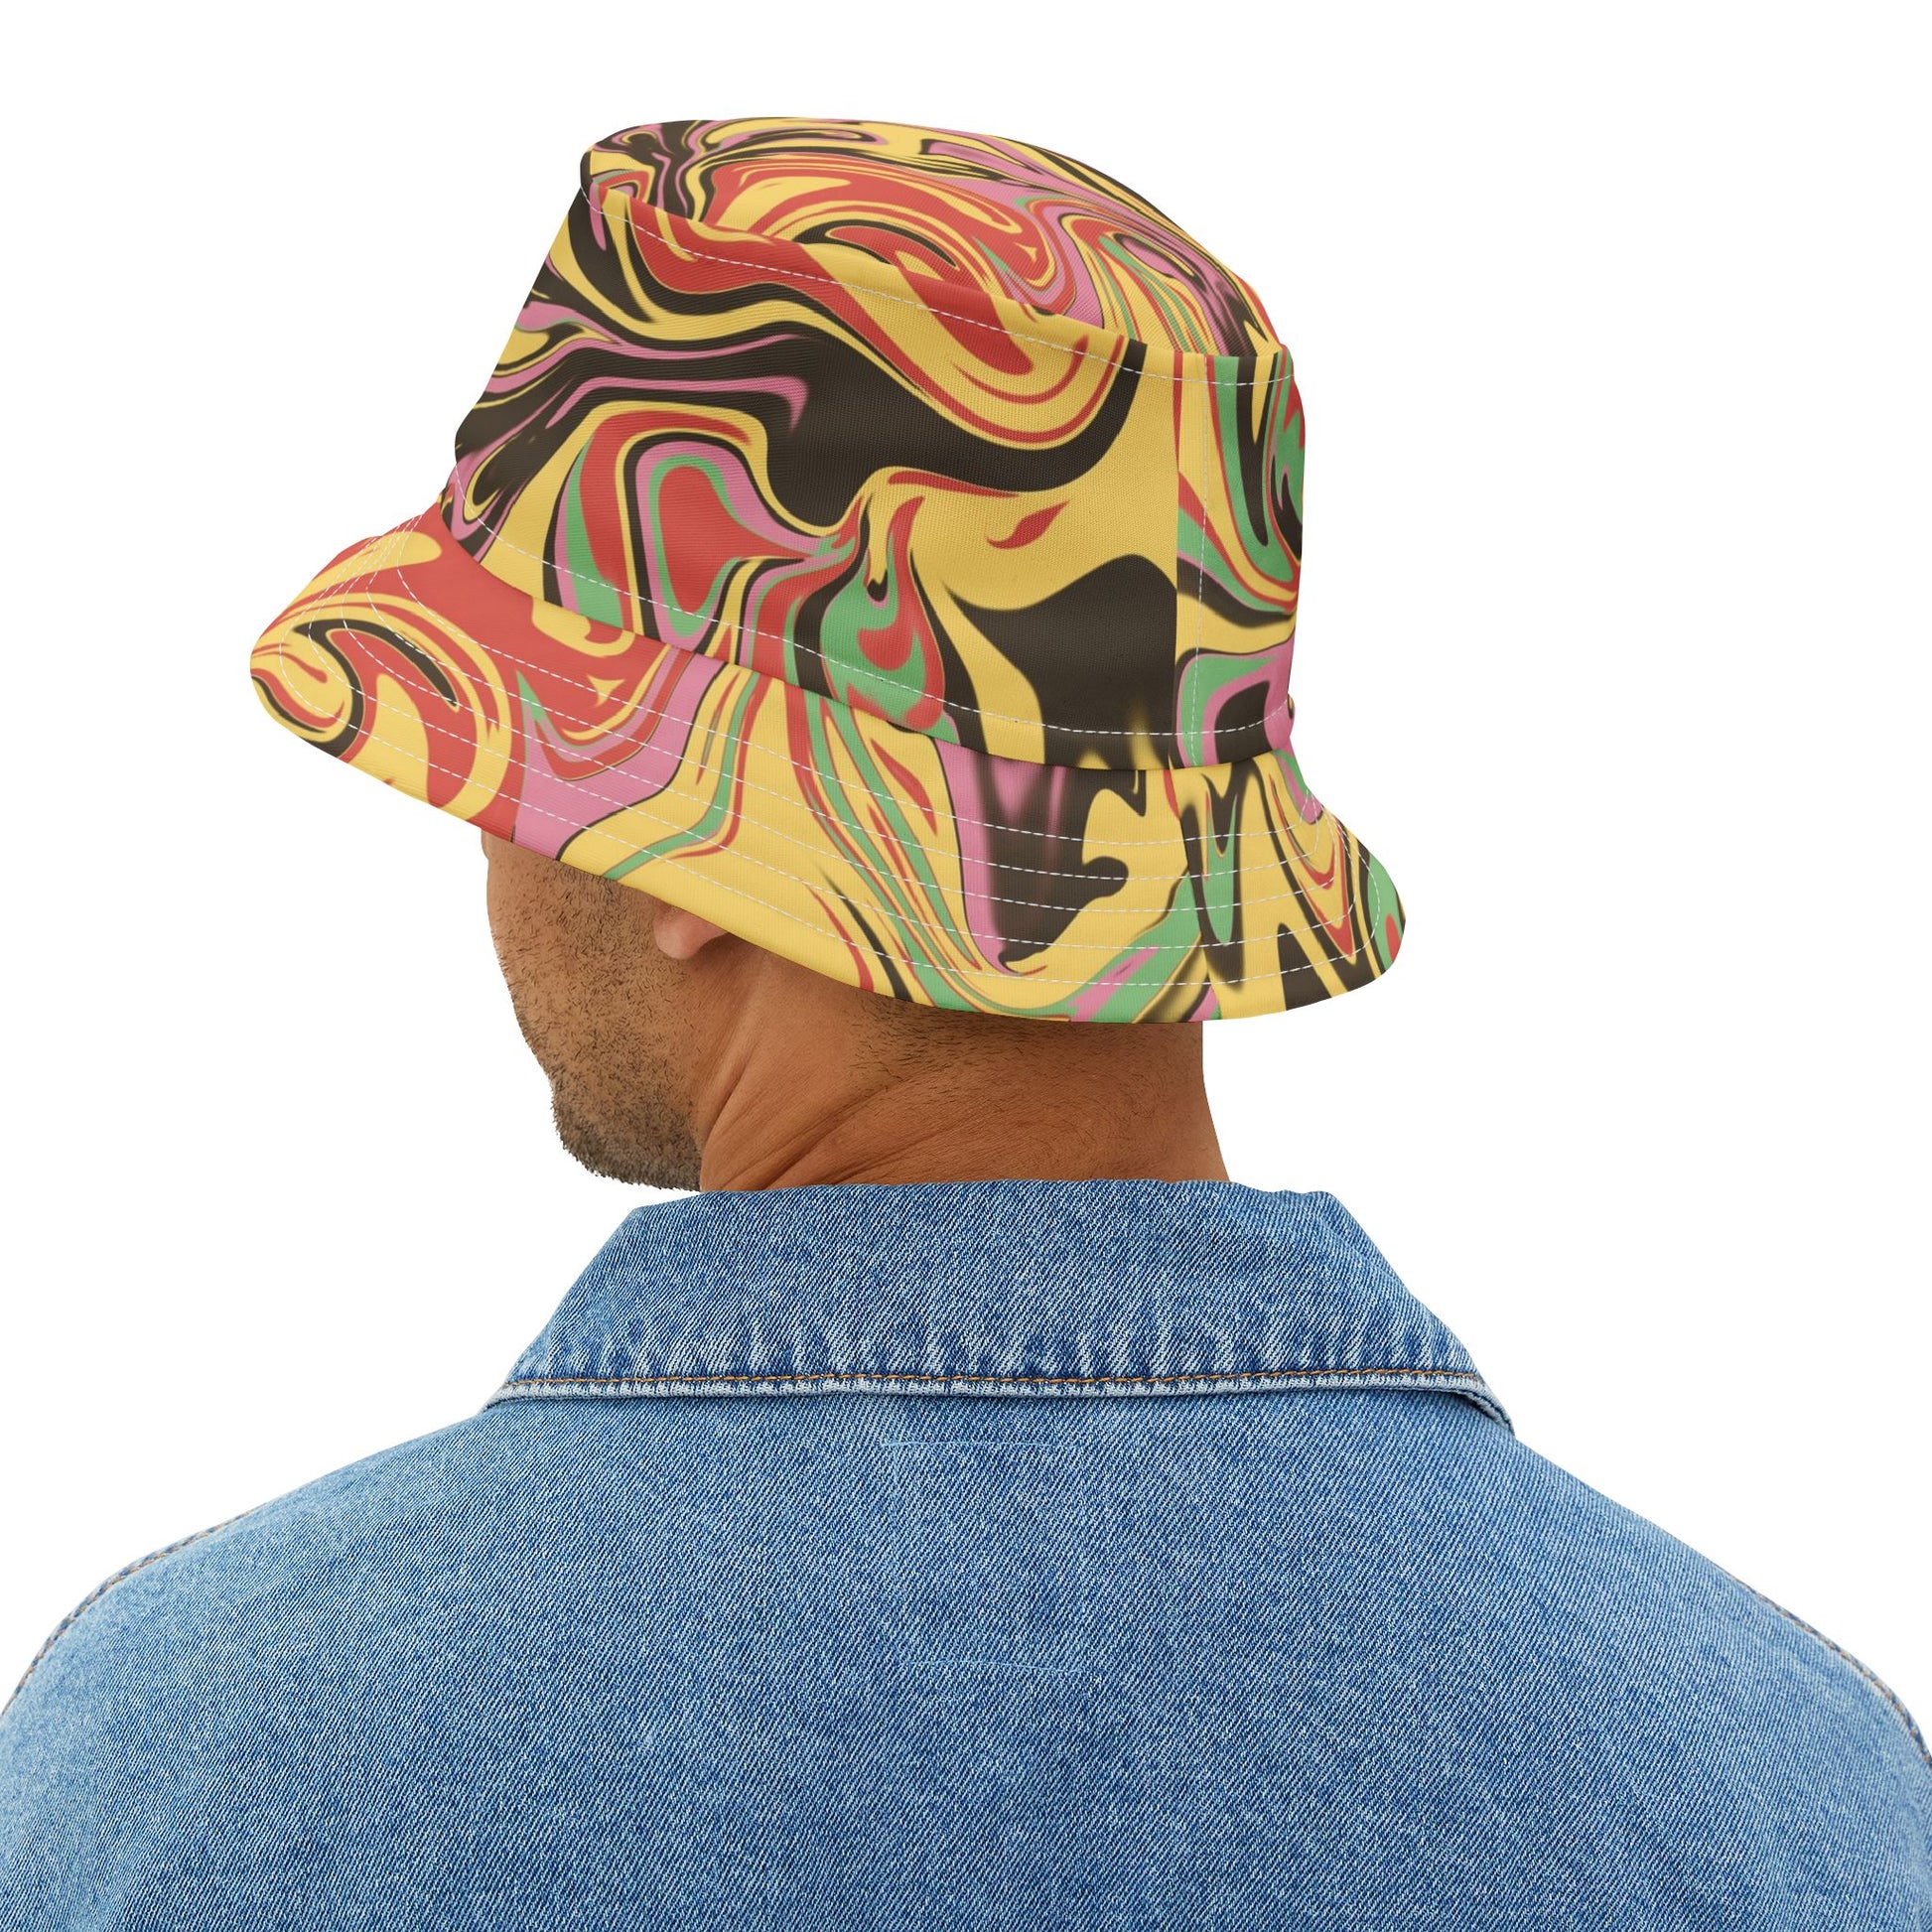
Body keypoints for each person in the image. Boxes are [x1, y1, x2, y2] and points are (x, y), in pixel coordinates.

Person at [2, 116, 1924, 1930]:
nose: (488, 845)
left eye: (506, 756)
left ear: (688, 835)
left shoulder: (170, 1769)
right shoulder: (1789, 1795)